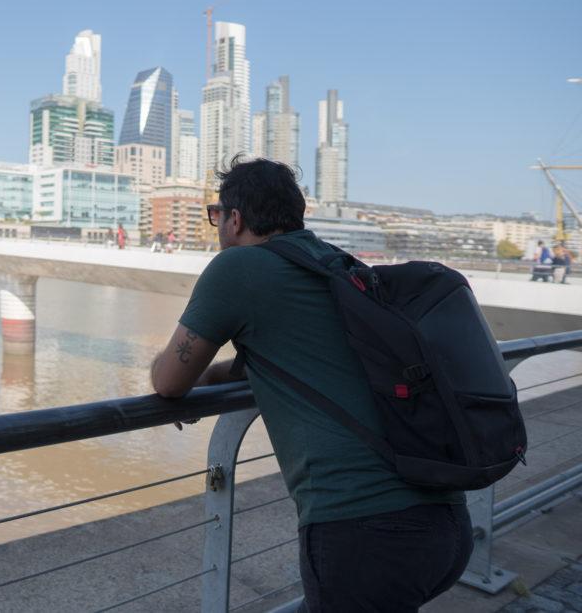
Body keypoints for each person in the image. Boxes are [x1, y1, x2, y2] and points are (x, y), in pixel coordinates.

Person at [149, 157, 471, 612]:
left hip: (365, 532)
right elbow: (277, 359)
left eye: (216, 216)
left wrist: (168, 368)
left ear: (235, 219)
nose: (217, 226)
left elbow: (168, 382)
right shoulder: (336, 266)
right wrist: (214, 374)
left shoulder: (237, 267)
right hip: (445, 523)